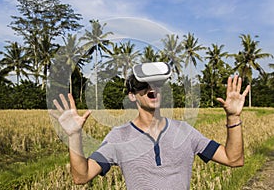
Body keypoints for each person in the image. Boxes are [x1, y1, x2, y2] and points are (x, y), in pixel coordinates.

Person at [51, 64, 250, 189]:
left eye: (156, 83)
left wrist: (233, 117)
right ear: (131, 95)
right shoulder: (119, 137)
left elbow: (234, 160)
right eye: (142, 86)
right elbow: (81, 176)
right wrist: (74, 136)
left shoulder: (185, 132)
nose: (151, 89)